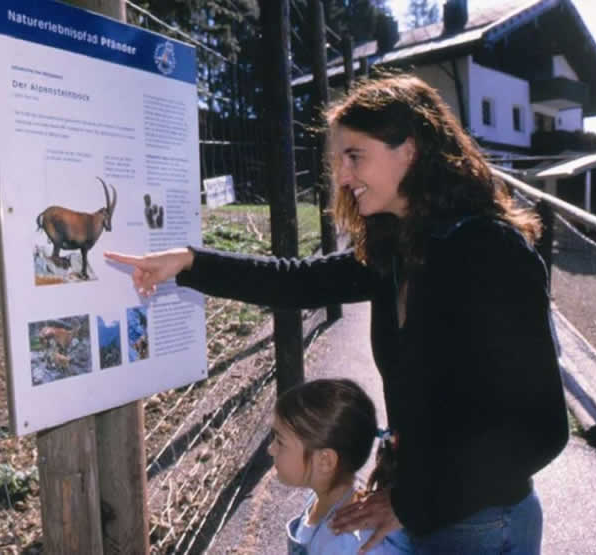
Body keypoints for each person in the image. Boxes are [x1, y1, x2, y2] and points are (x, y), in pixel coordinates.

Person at [105, 73, 569, 553]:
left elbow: (541, 431)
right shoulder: (401, 248)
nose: (343, 178)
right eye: (338, 161)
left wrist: (415, 502)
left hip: (483, 521)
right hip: (428, 504)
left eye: (354, 156)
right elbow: (298, 279)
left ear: (408, 150)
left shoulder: (490, 252)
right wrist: (189, 262)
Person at [271, 378, 412, 554]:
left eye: (280, 441)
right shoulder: (321, 501)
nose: (271, 449)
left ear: (325, 461)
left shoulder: (345, 544)